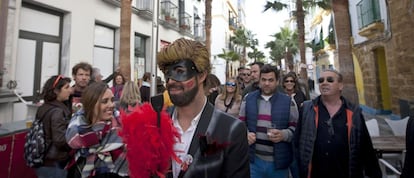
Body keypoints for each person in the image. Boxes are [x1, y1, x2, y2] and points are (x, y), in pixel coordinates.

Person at [156, 38, 250, 177]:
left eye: (180, 72)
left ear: (201, 76)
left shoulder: (231, 130)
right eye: (167, 74)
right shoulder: (154, 123)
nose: (170, 81)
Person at [294, 69, 381, 178]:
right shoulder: (307, 109)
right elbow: (296, 142)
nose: (324, 83)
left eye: (330, 80)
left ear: (340, 86)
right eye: (321, 80)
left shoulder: (354, 112)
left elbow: (365, 147)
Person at [239, 64, 298, 178]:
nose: (266, 83)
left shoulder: (288, 101)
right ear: (259, 81)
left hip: (279, 163)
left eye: (270, 80)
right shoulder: (248, 98)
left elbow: (296, 129)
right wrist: (245, 134)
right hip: (253, 162)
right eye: (264, 80)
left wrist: (283, 135)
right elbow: (240, 123)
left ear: (277, 81)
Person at [65, 82, 128, 178]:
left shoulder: (123, 127)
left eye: (112, 100)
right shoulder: (76, 132)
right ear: (91, 104)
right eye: (104, 101)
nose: (111, 105)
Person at [33, 75, 73, 178]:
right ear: (56, 91)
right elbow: (59, 140)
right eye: (67, 87)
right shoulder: (58, 112)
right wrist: (75, 142)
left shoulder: (44, 107)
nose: (70, 90)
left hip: (43, 159)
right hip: (54, 161)